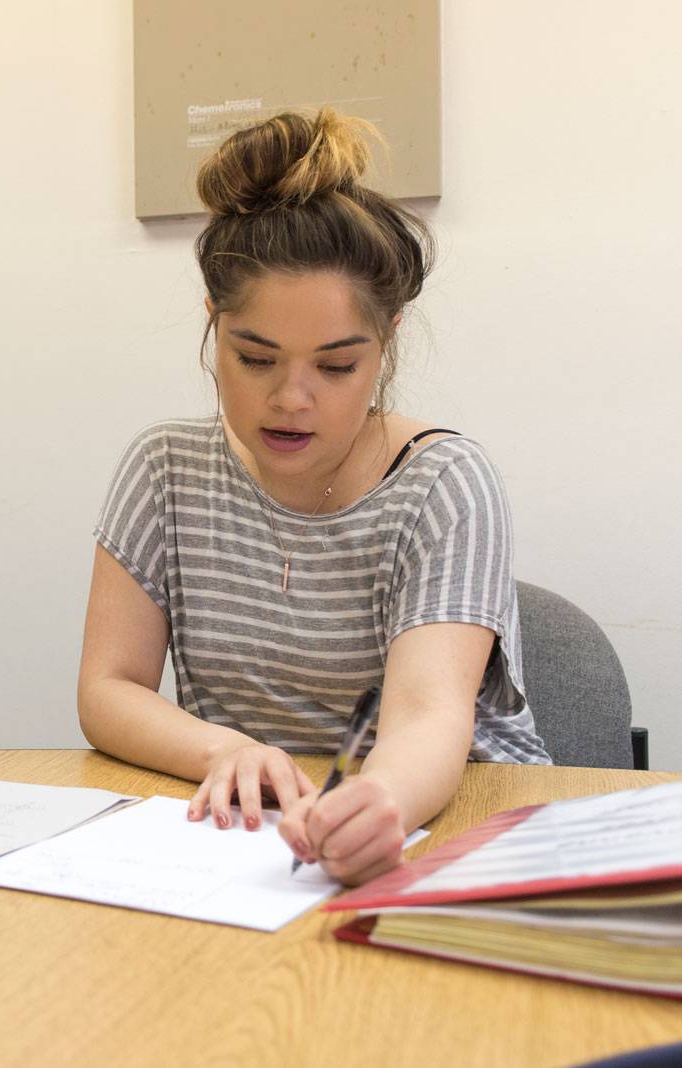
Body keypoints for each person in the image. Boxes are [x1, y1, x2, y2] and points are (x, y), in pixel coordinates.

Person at [76, 111, 549, 885]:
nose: (290, 398)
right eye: (255, 357)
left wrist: (379, 800)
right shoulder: (163, 469)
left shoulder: (444, 482)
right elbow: (108, 687)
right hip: (250, 847)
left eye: (335, 368)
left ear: (386, 342)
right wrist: (224, 750)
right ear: (213, 325)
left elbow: (428, 716)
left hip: (452, 830)